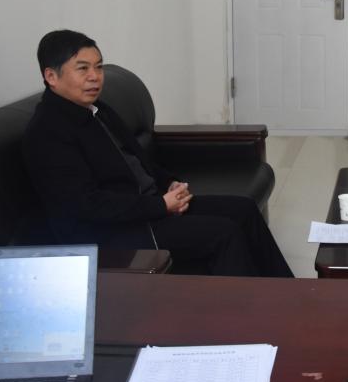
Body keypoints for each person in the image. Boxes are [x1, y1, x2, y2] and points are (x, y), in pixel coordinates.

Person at [23, 29, 293, 278]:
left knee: (243, 209)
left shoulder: (97, 110)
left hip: (147, 208)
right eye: (83, 68)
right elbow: (86, 205)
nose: (95, 76)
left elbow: (138, 160)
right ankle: (245, 313)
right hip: (115, 232)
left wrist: (169, 183)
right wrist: (161, 206)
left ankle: (290, 293)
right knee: (223, 233)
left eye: (99, 66)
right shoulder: (47, 133)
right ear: (51, 76)